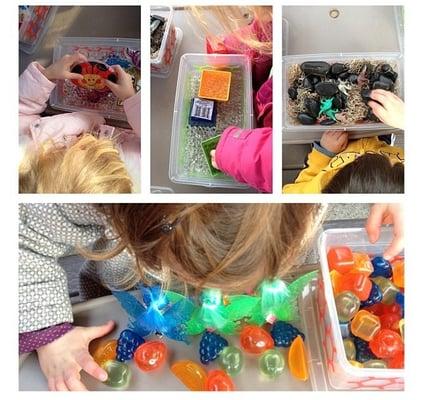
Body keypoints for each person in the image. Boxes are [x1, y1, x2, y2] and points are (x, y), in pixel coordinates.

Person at [18, 203, 403, 391]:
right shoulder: (85, 201)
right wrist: (48, 331)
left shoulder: (296, 203)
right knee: (107, 299)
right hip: (121, 284)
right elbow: (18, 240)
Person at [19, 53, 141, 193]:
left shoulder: (25, 152)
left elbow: (19, 108)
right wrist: (131, 98)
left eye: (65, 151)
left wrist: (47, 76)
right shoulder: (133, 171)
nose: (81, 143)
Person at [190, 6, 273, 192]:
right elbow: (267, 32)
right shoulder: (275, 19)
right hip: (262, 102)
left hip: (254, 145)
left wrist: (234, 153)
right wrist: (236, 47)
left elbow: (270, 161)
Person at [283, 90, 404, 194]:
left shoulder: (313, 191)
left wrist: (324, 152)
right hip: (379, 138)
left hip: (329, 147)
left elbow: (293, 189)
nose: (366, 154)